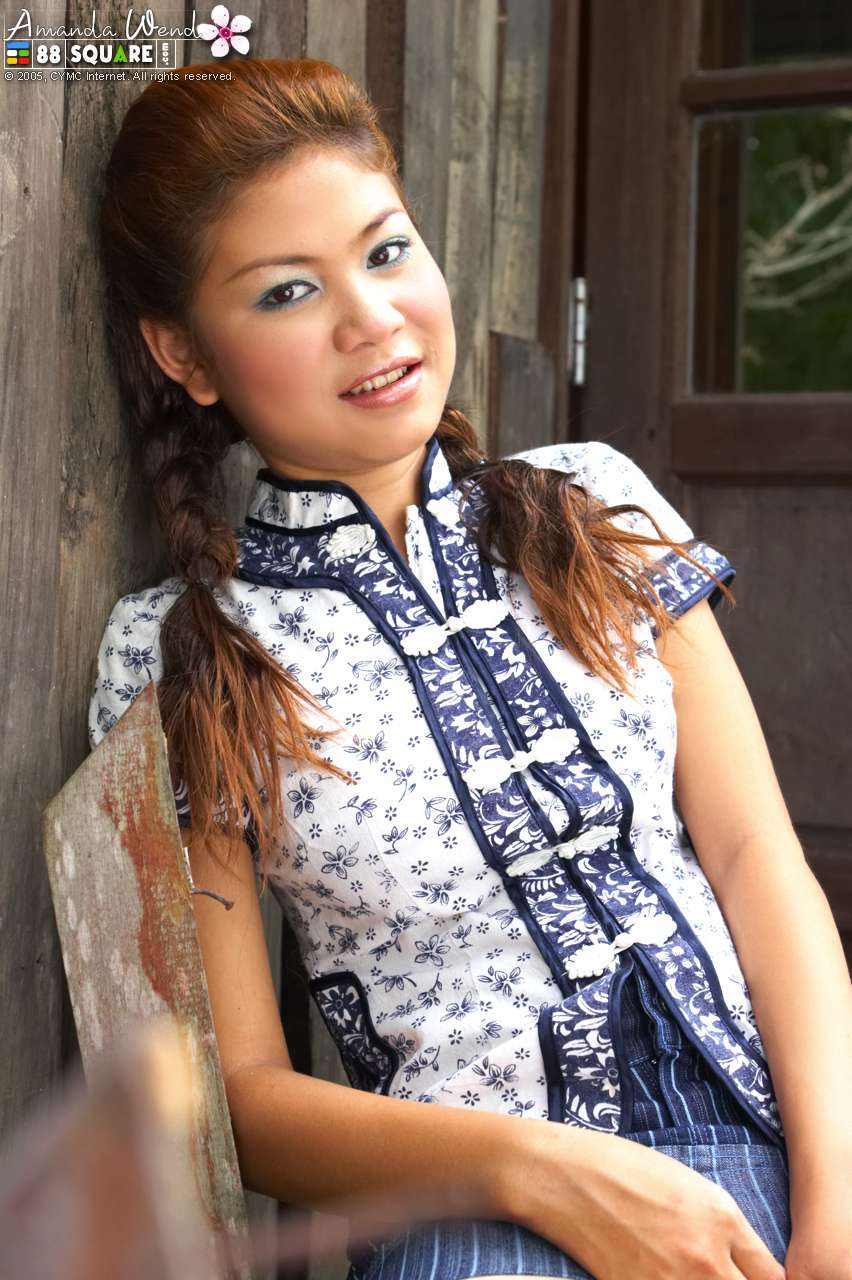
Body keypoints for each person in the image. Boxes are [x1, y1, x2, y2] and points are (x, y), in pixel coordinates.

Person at [88, 56, 851, 1280]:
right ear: (186, 353)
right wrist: (534, 1169)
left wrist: (837, 1205)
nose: (370, 319)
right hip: (471, 1224)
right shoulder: (185, 650)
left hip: (780, 1156)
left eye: (386, 251)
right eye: (288, 291)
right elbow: (237, 1093)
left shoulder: (596, 506)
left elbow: (759, 855)